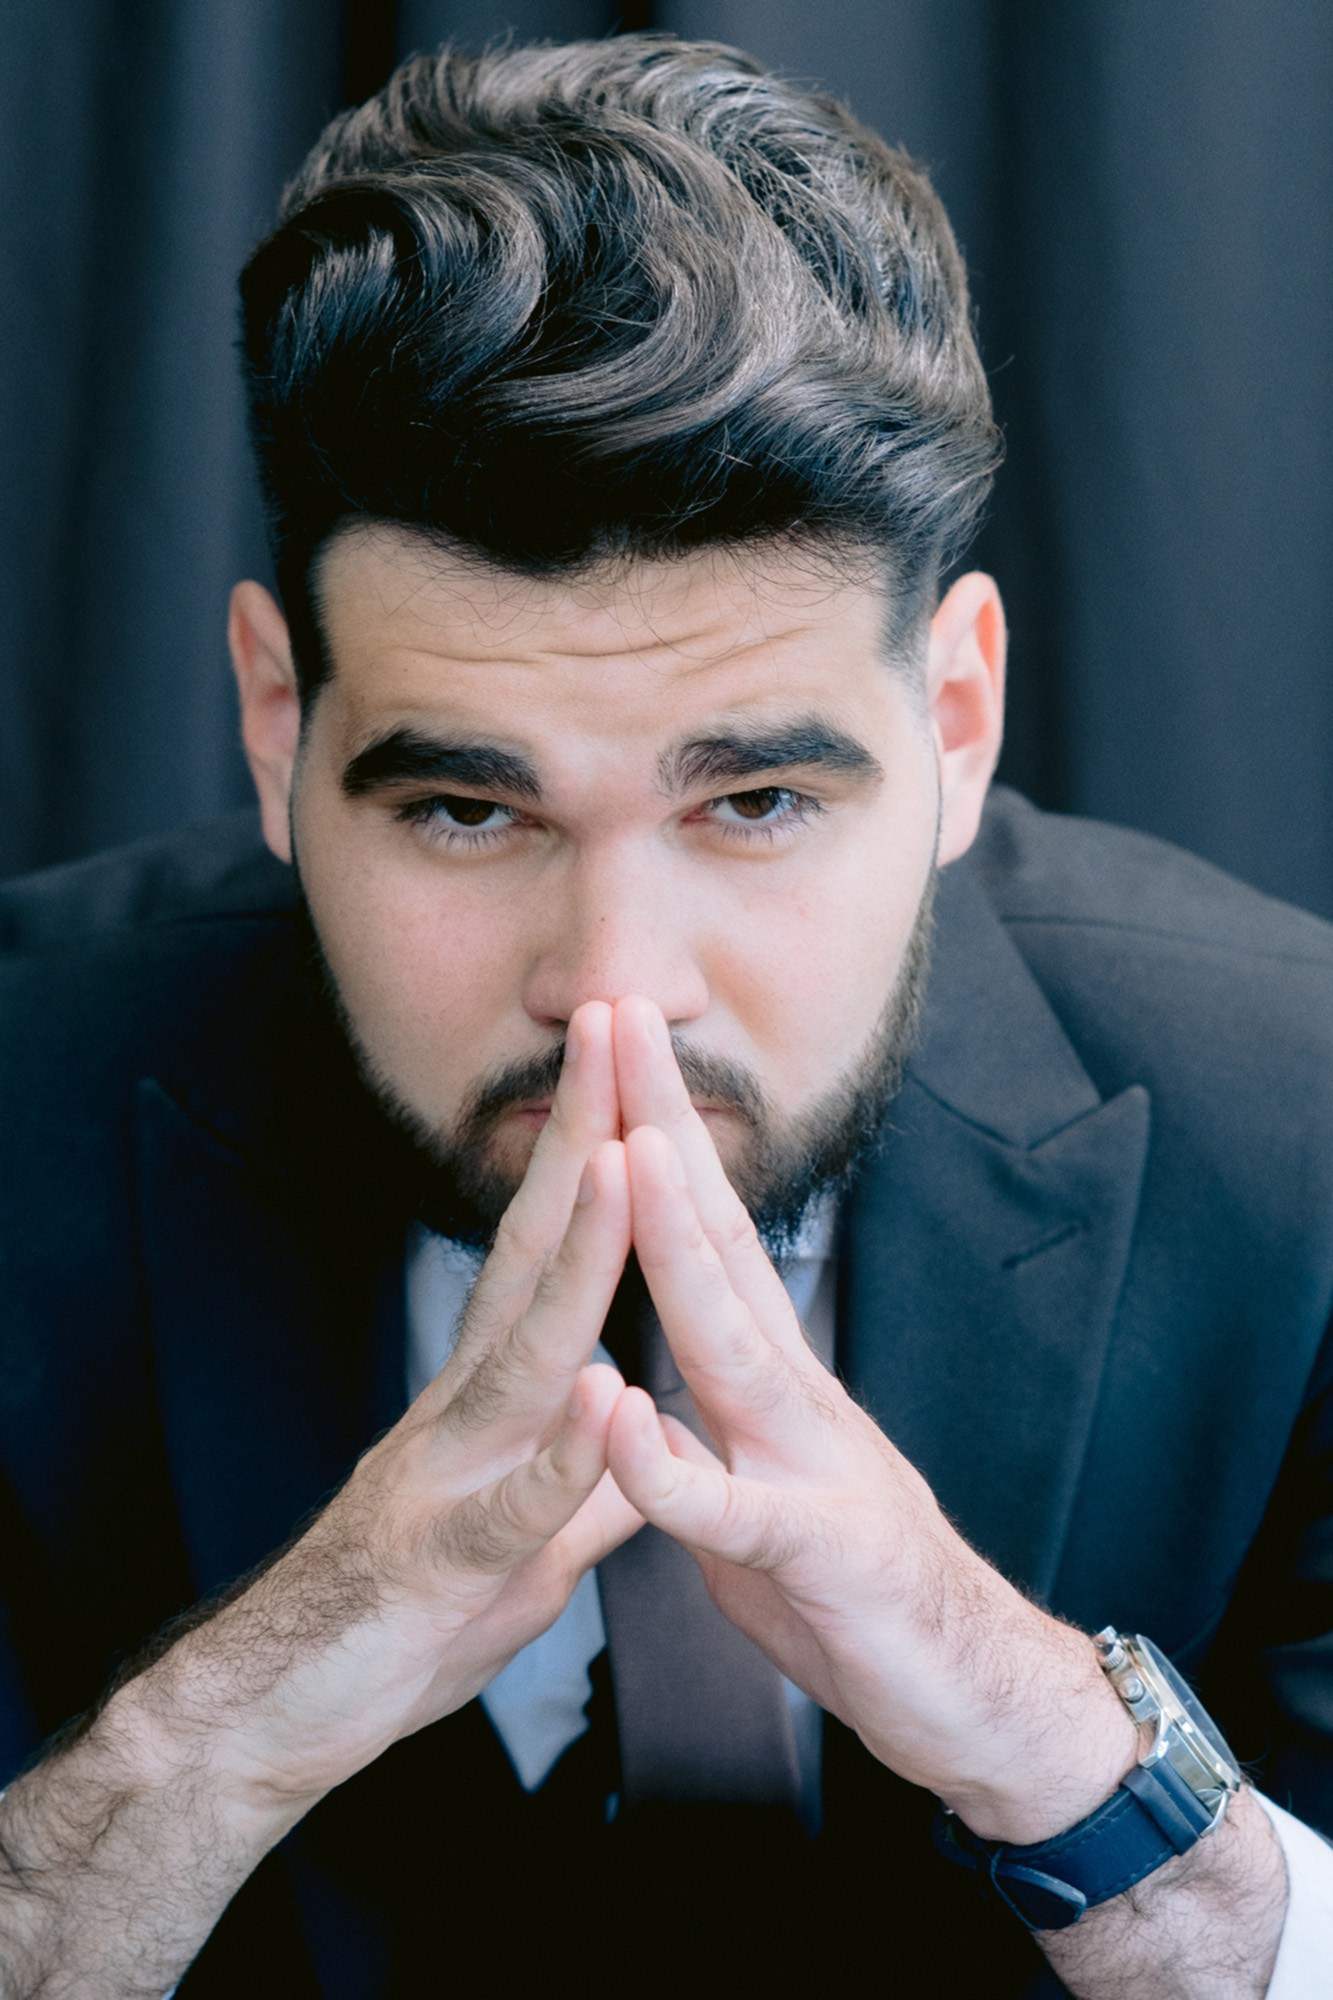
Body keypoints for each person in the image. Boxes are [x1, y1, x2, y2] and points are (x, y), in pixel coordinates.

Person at [1, 34, 1331, 1999]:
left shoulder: (1302, 1149)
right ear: (278, 722)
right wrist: (232, 1715)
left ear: (957, 721)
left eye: (757, 802)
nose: (615, 981)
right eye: (466, 810)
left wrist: (1033, 1727)